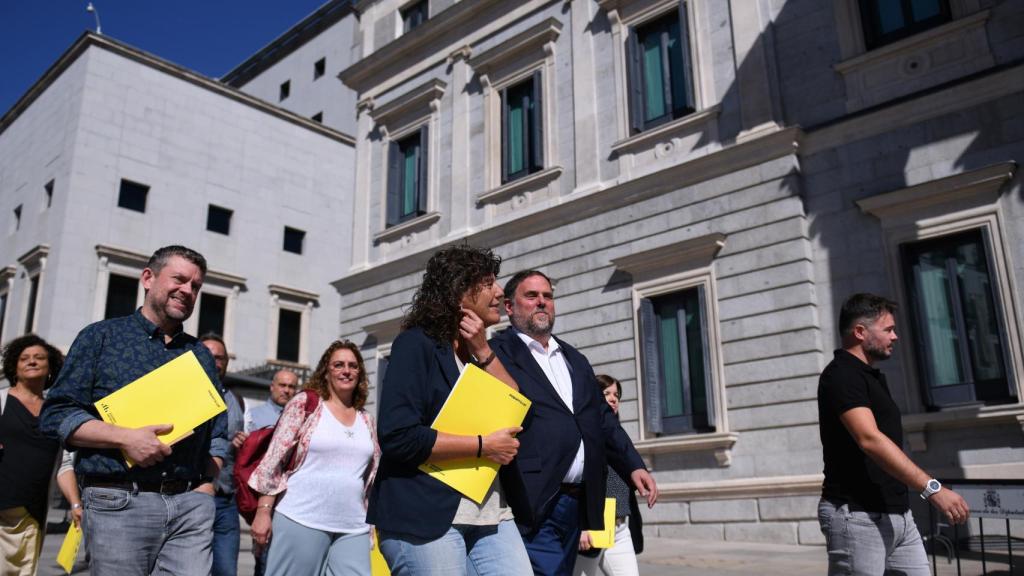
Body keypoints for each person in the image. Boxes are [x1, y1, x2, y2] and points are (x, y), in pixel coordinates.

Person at [39, 245, 228, 576]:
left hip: (189, 507)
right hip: (118, 503)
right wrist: (125, 438)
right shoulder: (100, 338)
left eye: (195, 286)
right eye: (179, 279)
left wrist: (207, 487)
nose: (187, 290)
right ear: (148, 278)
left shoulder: (200, 354)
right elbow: (56, 414)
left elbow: (218, 432)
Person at [369, 244, 532, 575]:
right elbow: (398, 435)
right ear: (459, 291)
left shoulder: (478, 353)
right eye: (488, 283)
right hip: (424, 515)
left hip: (491, 514)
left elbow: (517, 409)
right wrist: (483, 446)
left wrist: (483, 350)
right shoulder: (416, 344)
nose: (500, 292)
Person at [489, 270, 658, 576]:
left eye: (548, 296)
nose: (542, 302)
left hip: (577, 500)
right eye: (531, 296)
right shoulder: (495, 353)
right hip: (532, 498)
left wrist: (633, 465)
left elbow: (603, 420)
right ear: (509, 307)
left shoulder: (574, 358)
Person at [817, 293, 970, 575]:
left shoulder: (872, 377)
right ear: (860, 332)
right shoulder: (841, 375)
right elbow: (870, 440)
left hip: (898, 515)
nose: (895, 336)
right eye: (888, 329)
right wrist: (932, 489)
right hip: (858, 516)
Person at [248, 340, 380, 576]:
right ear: (326, 372)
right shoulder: (305, 405)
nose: (346, 371)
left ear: (360, 373)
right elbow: (274, 460)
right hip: (301, 517)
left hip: (353, 526)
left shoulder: (366, 419)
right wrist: (263, 511)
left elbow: (369, 478)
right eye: (338, 365)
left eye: (353, 366)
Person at [0, 334, 81, 575]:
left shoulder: (55, 413)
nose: (32, 361)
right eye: (24, 358)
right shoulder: (2, 399)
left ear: (50, 367)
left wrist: (76, 504)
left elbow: (63, 465)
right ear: (14, 366)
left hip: (32, 516)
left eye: (39, 358)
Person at [574, 375, 643, 576]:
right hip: (591, 531)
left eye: (617, 395)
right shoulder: (582, 435)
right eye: (606, 393)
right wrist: (581, 526)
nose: (613, 399)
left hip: (619, 528)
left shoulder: (619, 440)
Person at [243, 368, 299, 576]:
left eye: (292, 386)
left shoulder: (302, 417)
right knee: (264, 557)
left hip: (291, 498)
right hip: (261, 497)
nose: (287, 390)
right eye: (282, 385)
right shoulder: (254, 417)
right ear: (272, 387)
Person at [201, 333, 246, 576]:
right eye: (208, 355)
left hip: (226, 500)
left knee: (227, 570)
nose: (215, 362)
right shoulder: (180, 393)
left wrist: (240, 443)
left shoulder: (236, 399)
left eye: (220, 358)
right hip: (191, 497)